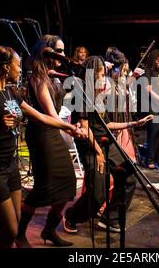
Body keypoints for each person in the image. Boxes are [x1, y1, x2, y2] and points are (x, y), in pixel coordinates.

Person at [0, 46, 82, 248]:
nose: (21, 69)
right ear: (7, 67)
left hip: (10, 167)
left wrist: (68, 127)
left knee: (14, 228)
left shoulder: (11, 93)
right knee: (8, 231)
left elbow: (41, 116)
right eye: (18, 65)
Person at [63, 56, 152, 234]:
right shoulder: (82, 94)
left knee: (128, 176)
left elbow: (107, 125)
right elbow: (86, 128)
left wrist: (133, 124)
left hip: (107, 143)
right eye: (101, 74)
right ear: (91, 75)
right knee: (98, 194)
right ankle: (72, 216)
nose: (104, 78)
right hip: (91, 146)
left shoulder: (101, 96)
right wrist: (98, 153)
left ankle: (110, 219)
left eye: (105, 74)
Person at [15, 36, 80, 248]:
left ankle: (49, 230)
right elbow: (51, 113)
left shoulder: (54, 76)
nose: (62, 54)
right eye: (58, 50)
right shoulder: (38, 77)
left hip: (53, 131)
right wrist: (70, 128)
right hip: (42, 134)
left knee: (68, 182)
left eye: (62, 50)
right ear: (46, 51)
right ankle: (20, 233)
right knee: (43, 187)